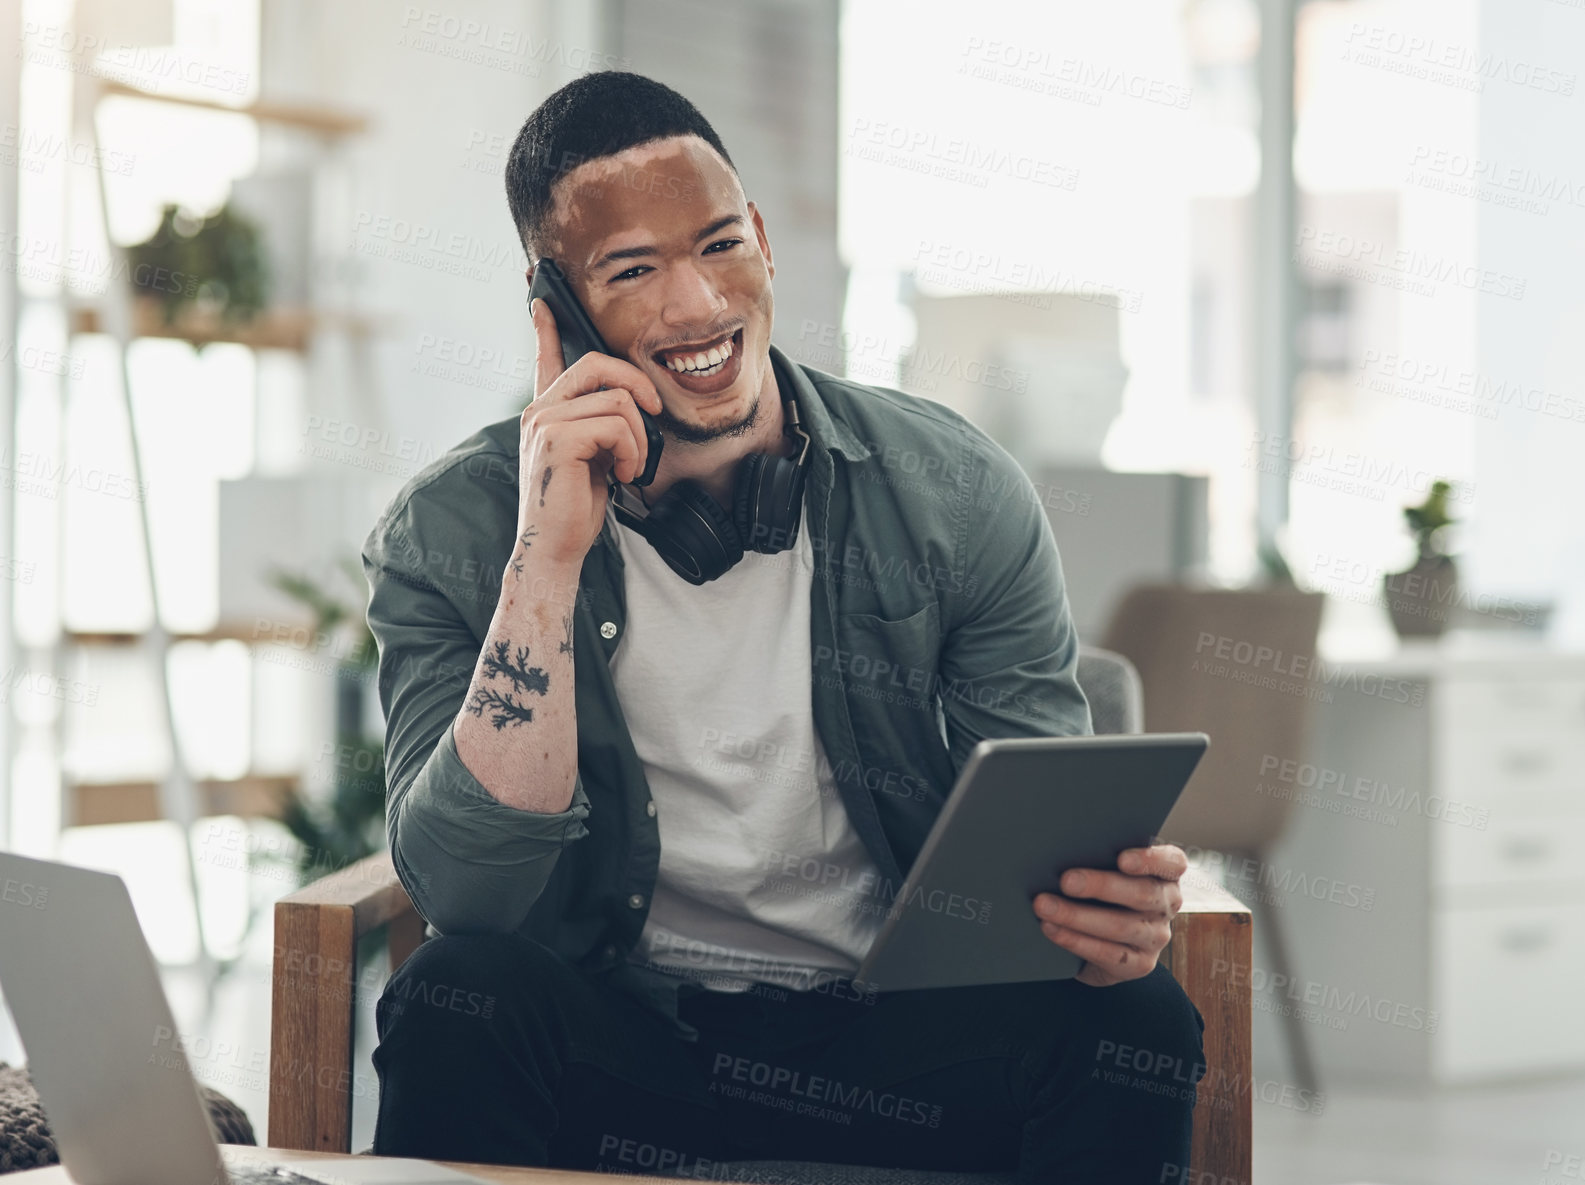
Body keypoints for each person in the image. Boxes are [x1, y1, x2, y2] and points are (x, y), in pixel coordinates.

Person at [361, 70, 1205, 1183]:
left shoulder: (954, 491)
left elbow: (1044, 844)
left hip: (887, 1045)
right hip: (628, 1044)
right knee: (454, 1000)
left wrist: (1107, 923)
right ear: (554, 310)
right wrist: (548, 557)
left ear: (761, 239)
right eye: (633, 271)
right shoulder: (449, 531)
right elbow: (465, 898)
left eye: (718, 245)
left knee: (1133, 1026)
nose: (700, 305)